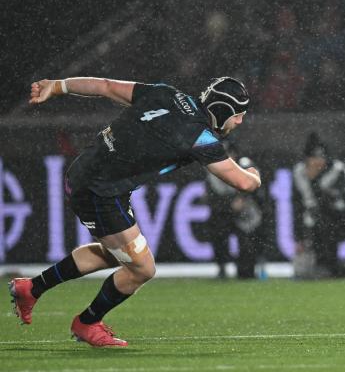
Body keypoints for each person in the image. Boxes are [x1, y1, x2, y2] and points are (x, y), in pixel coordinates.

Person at [9, 76, 261, 347]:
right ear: (221, 111)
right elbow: (245, 183)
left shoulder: (166, 93)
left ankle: (32, 288)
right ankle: (87, 322)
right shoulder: (199, 136)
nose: (240, 122)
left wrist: (58, 86)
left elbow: (105, 86)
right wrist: (254, 172)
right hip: (100, 192)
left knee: (115, 255)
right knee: (142, 269)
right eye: (238, 115)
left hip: (86, 173)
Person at [292, 132, 345, 278]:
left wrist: (314, 181)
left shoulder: (338, 170)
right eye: (313, 158)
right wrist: (299, 235)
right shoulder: (299, 172)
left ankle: (329, 266)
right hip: (315, 218)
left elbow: (328, 200)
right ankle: (319, 266)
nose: (317, 162)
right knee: (314, 223)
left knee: (325, 224)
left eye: (320, 158)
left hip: (341, 218)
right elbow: (299, 205)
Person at [204, 143, 264, 279]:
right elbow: (213, 198)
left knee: (247, 238)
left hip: (245, 213)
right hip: (223, 213)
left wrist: (243, 199)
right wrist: (230, 203)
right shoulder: (212, 171)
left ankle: (246, 270)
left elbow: (257, 189)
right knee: (218, 230)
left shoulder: (245, 165)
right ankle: (222, 268)